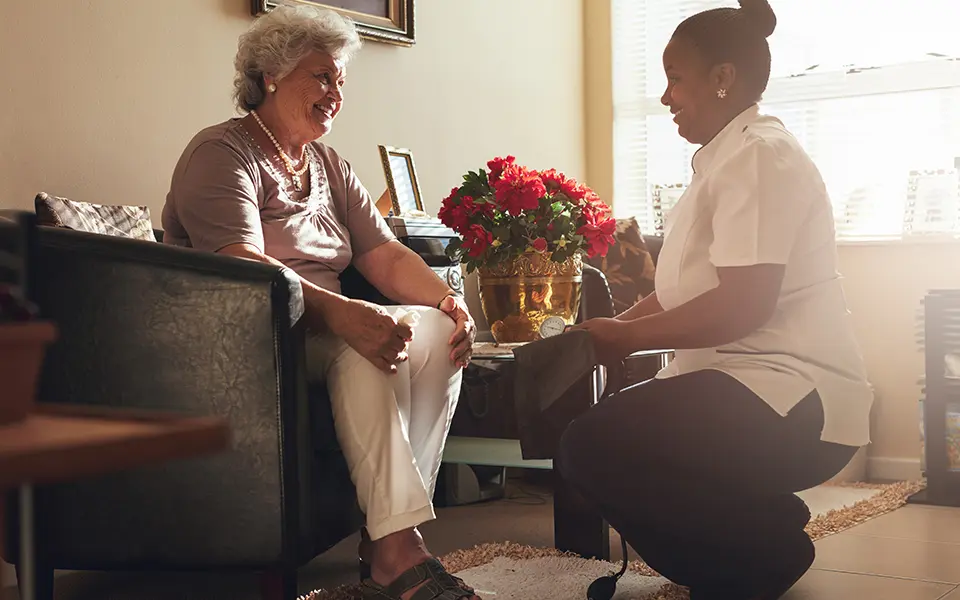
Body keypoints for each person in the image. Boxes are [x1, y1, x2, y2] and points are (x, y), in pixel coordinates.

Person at [160, 5, 480, 600]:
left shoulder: (329, 164)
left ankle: (391, 538)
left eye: (340, 81)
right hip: (253, 338)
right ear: (272, 74)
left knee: (436, 334)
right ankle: (397, 551)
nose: (336, 93)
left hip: (324, 325)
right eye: (322, 77)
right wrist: (342, 313)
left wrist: (448, 300)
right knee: (362, 349)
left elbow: (383, 255)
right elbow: (237, 262)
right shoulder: (221, 152)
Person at [556, 1, 873, 599]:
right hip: (751, 388)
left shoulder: (758, 156)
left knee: (592, 445)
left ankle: (764, 552)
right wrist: (613, 325)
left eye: (676, 78)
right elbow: (688, 290)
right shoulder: (726, 160)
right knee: (597, 438)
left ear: (722, 79)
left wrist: (623, 338)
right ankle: (764, 527)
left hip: (792, 398)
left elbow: (743, 306)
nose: (666, 96)